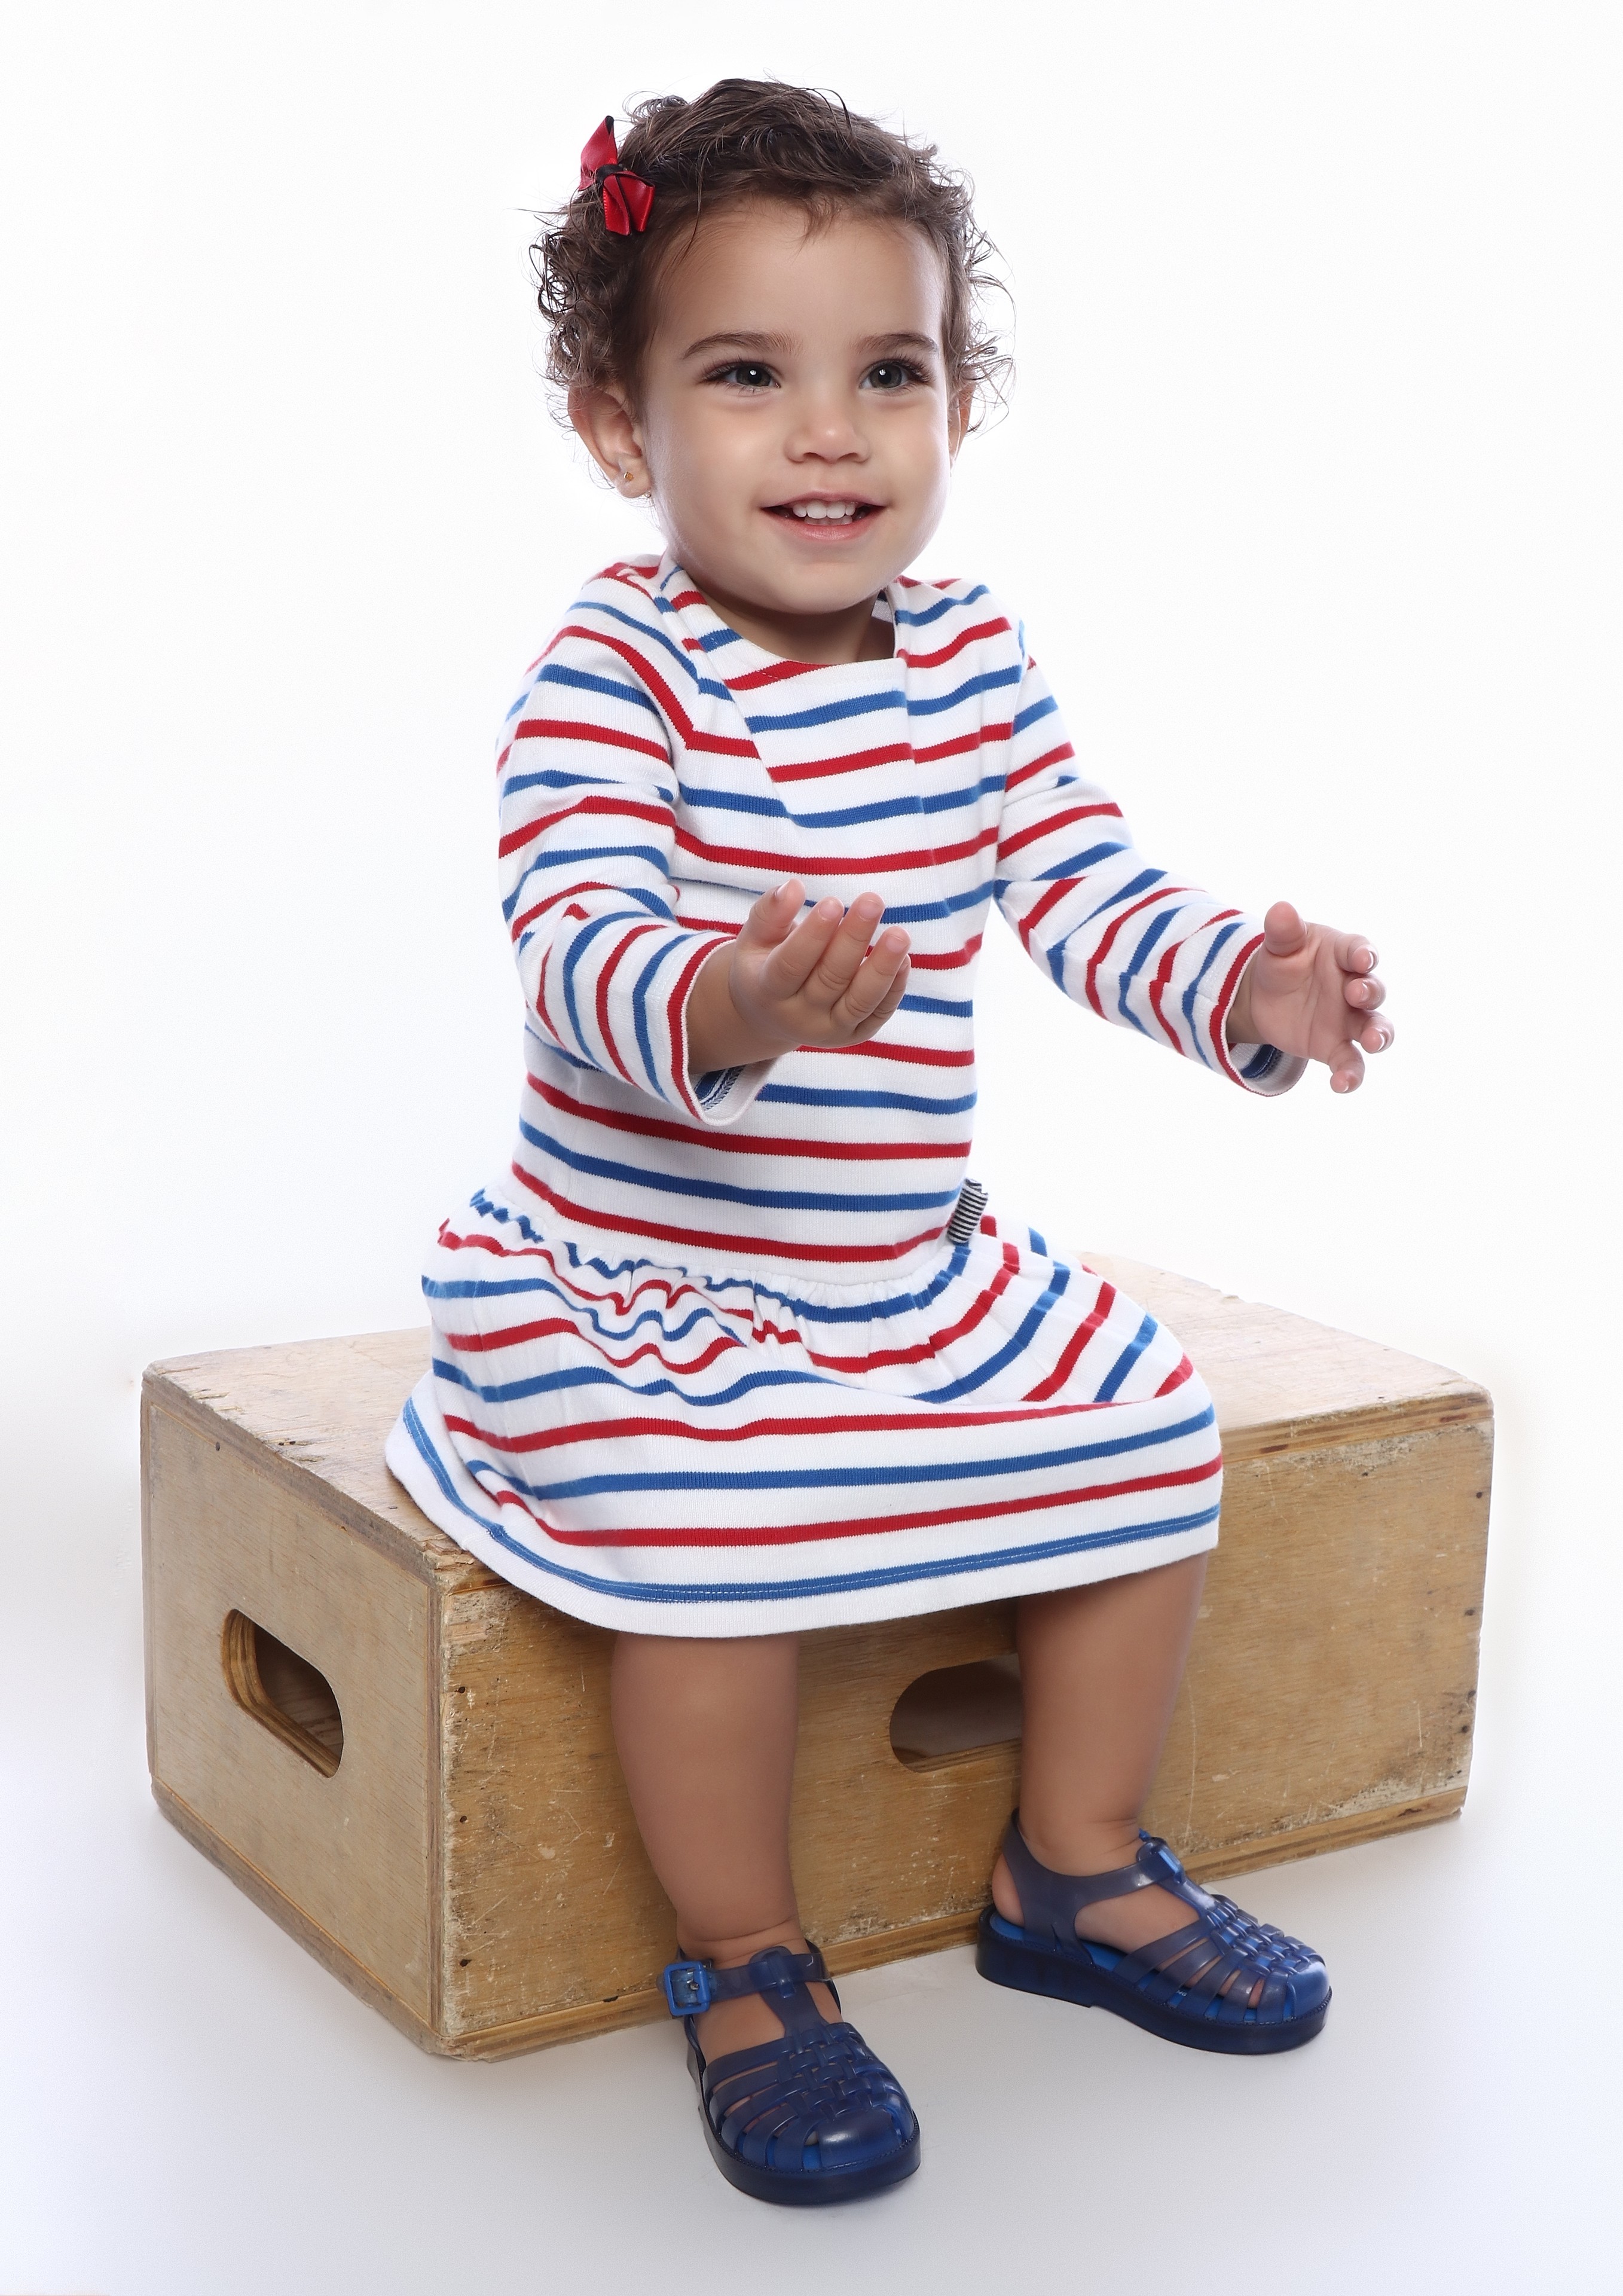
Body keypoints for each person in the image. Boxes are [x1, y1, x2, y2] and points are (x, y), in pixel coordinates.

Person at [386, 80, 1394, 2205]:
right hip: (649, 1283)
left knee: (1149, 1429)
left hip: (900, 1273)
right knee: (709, 1542)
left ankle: (1072, 1865)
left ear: (956, 399)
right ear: (617, 425)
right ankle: (746, 1958)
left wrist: (1248, 991)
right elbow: (574, 941)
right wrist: (736, 1002)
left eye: (890, 372)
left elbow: (1087, 891)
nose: (828, 434)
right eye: (747, 375)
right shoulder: (616, 674)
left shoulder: (971, 664)